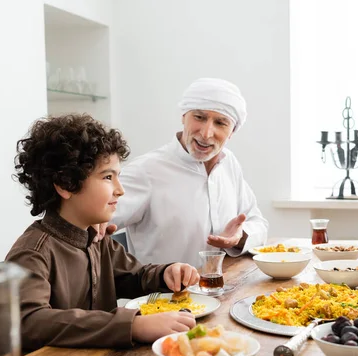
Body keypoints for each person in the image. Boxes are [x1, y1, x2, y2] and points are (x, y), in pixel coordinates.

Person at [6, 114, 199, 352]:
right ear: (66, 184)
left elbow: (133, 276)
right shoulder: (33, 253)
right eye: (108, 177)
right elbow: (30, 322)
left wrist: (166, 274)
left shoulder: (97, 239)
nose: (120, 190)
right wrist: (133, 326)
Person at [107, 78, 269, 267]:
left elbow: (259, 224)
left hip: (223, 291)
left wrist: (239, 236)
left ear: (232, 131)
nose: (206, 133)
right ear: (184, 116)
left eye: (220, 123)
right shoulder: (145, 171)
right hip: (163, 295)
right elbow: (88, 225)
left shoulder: (229, 164)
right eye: (199, 117)